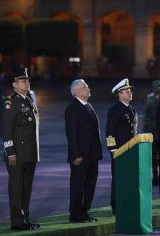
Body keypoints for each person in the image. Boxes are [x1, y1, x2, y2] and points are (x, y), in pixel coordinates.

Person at [2, 68, 40, 231]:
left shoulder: (29, 100)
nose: (27, 83)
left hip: (30, 153)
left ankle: (25, 219)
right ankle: (17, 221)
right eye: (23, 81)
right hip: (16, 155)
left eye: (28, 80)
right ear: (14, 85)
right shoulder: (11, 102)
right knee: (17, 189)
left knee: (26, 189)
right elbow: (6, 130)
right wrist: (10, 152)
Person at [65, 79, 102, 223]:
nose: (88, 88)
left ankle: (84, 211)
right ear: (77, 92)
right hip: (80, 156)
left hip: (92, 155)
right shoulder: (73, 108)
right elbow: (72, 134)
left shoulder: (88, 106)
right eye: (85, 87)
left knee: (89, 185)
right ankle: (75, 214)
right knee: (78, 185)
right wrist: (77, 154)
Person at [106, 78, 137, 214]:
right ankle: (117, 206)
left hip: (131, 150)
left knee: (129, 179)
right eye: (127, 91)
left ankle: (127, 203)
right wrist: (113, 150)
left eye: (130, 91)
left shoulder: (131, 109)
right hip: (120, 150)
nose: (130, 93)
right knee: (119, 180)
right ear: (119, 94)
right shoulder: (115, 110)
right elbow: (110, 132)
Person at [143, 80, 160, 185]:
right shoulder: (150, 99)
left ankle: (158, 176)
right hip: (153, 132)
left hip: (159, 132)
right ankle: (155, 176)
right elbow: (147, 117)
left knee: (158, 156)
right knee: (154, 156)